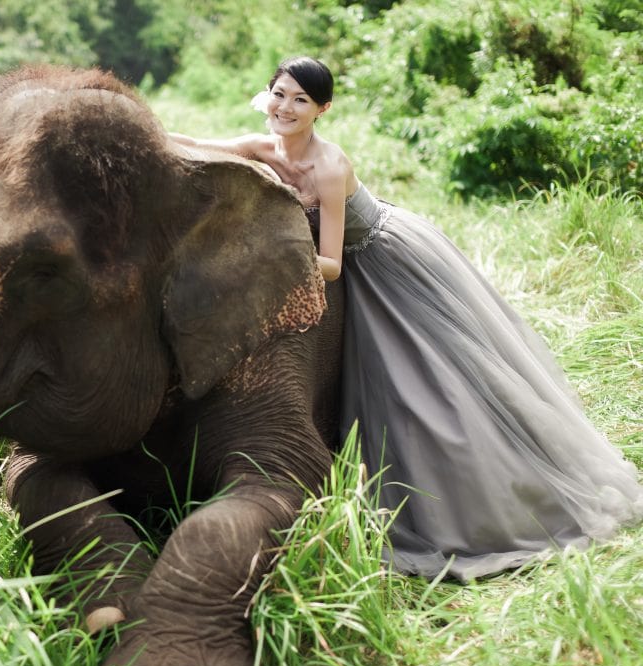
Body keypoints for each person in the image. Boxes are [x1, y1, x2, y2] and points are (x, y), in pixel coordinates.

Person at [170, 56, 643, 581]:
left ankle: (491, 497)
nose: (286, 107)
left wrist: (264, 251)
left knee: (427, 381)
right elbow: (196, 147)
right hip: (342, 262)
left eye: (301, 100)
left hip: (382, 259)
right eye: (280, 94)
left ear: (322, 109)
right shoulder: (261, 145)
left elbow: (328, 264)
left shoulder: (328, 167)